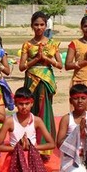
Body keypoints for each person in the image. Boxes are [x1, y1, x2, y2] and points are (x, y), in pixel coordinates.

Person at [18, 11, 62, 159]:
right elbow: (22, 66)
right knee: (29, 111)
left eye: (42, 24)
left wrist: (45, 59)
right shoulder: (27, 44)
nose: (39, 27)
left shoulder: (52, 44)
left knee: (44, 112)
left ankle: (44, 148)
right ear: (32, 26)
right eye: (36, 24)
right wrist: (36, 59)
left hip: (45, 82)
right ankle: (29, 144)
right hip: (31, 80)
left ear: (46, 25)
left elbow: (60, 65)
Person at [0, 87, 55, 172]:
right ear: (15, 104)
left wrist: (33, 147)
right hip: (15, 159)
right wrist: (16, 148)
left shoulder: (37, 120)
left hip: (33, 158)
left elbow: (51, 144)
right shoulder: (10, 121)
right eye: (20, 104)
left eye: (27, 104)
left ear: (32, 103)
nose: (24, 107)